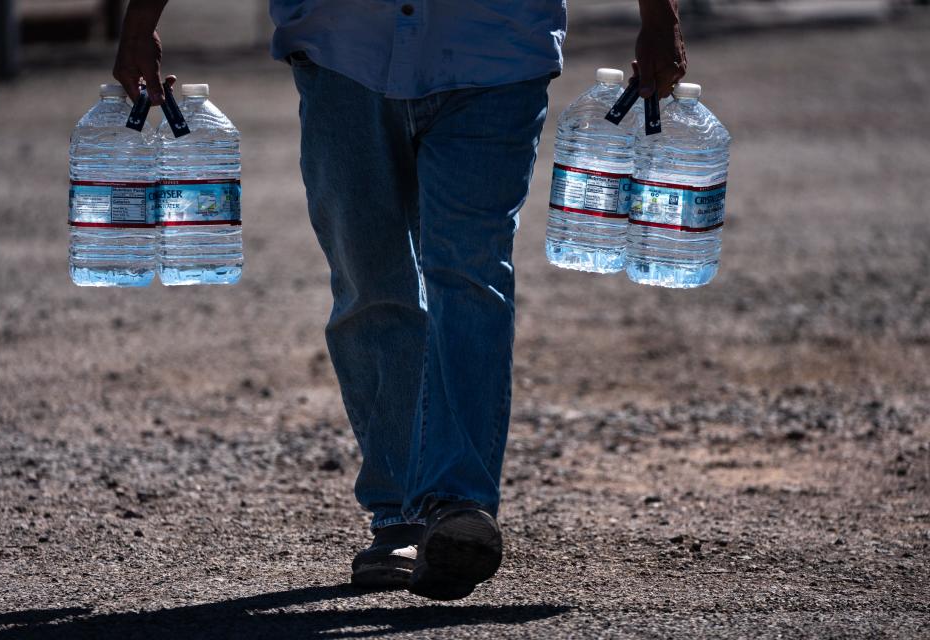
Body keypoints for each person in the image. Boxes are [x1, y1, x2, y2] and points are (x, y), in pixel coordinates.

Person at [113, 0, 687, 601]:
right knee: (372, 283)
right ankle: (400, 514)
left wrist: (659, 17)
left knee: (468, 272)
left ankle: (457, 505)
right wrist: (138, 22)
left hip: (494, 51)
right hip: (342, 53)